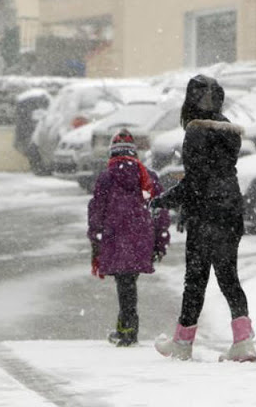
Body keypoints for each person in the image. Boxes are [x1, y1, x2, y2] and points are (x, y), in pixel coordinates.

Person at [149, 74, 256, 362]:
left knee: (195, 281)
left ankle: (182, 344)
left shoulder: (196, 131)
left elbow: (196, 180)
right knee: (228, 277)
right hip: (231, 211)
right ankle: (244, 341)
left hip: (206, 215)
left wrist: (165, 200)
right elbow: (217, 174)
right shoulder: (230, 132)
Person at [87, 128, 170, 347]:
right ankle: (126, 327)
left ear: (112, 154)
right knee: (128, 282)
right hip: (142, 239)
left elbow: (96, 211)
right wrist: (160, 242)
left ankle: (128, 329)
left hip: (114, 238)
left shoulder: (106, 177)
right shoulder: (148, 177)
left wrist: (95, 239)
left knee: (124, 283)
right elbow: (160, 211)